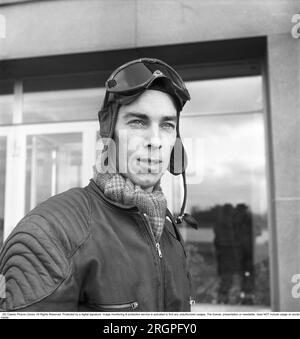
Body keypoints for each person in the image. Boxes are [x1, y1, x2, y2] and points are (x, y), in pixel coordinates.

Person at [0, 58, 196, 312]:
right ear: (109, 132)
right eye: (138, 122)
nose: (155, 140)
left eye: (167, 125)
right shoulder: (51, 231)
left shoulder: (168, 230)